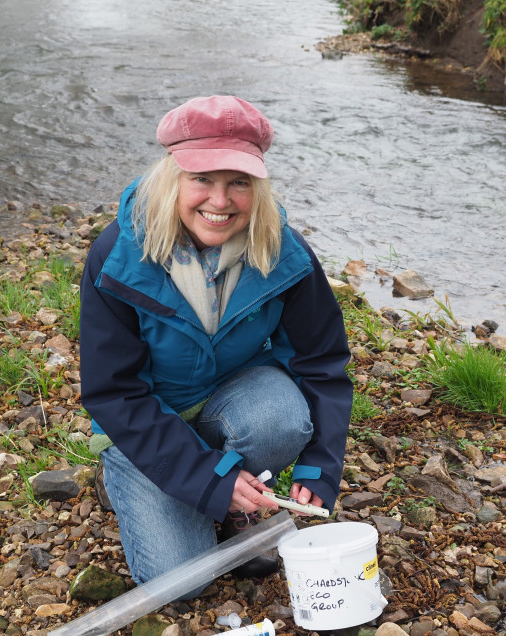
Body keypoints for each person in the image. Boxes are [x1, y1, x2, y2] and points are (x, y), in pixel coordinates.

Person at [79, 95, 352, 589]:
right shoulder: (115, 258)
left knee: (282, 421)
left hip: (234, 399)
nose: (220, 201)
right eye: (202, 179)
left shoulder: (285, 253)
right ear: (172, 177)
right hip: (142, 425)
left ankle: (235, 496)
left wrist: (320, 463)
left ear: (258, 186)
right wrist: (206, 478)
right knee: (182, 583)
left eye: (238, 183)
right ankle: (143, 478)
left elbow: (321, 362)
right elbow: (115, 393)